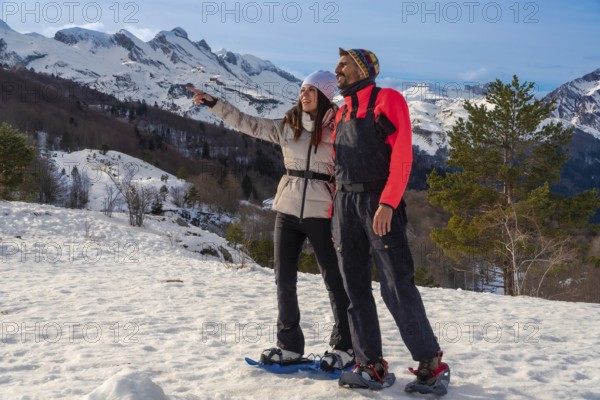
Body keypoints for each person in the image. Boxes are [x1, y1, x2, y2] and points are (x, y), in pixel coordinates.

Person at [187, 71, 354, 371]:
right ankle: (289, 346)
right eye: (302, 89)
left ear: (326, 96)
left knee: (334, 280)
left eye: (311, 91)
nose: (304, 95)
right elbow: (247, 122)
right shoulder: (287, 126)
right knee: (284, 279)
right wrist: (214, 104)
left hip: (322, 212)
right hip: (287, 211)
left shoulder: (339, 130)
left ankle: (345, 347)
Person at [331, 48, 450, 392]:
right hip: (344, 206)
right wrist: (335, 213)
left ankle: (431, 364)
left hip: (377, 203)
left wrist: (387, 202)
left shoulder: (387, 100)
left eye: (344, 64)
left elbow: (402, 156)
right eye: (337, 63)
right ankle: (371, 365)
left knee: (396, 286)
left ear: (364, 69)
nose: (337, 68)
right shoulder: (341, 112)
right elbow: (337, 166)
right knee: (354, 289)